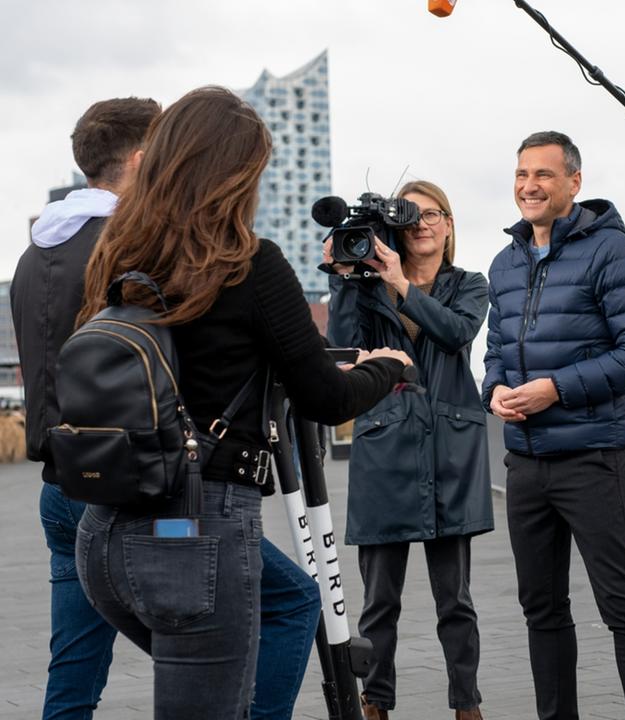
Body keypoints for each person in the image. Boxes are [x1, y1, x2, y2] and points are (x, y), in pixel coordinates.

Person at [73, 86, 411, 720]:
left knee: (289, 603)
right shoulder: (247, 264)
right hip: (195, 529)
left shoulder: (118, 254)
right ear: (236, 176)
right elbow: (324, 394)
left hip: (108, 531)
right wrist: (387, 369)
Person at [14, 96, 325, 720]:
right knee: (276, 611)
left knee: (72, 672)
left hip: (67, 477)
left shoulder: (36, 255)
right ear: (142, 159)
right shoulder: (139, 245)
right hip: (156, 484)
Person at [483, 131, 625, 720]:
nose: (529, 186)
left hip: (591, 459)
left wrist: (556, 389)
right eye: (520, 175)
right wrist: (495, 394)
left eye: (542, 175)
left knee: (622, 605)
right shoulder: (504, 263)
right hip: (525, 463)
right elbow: (493, 355)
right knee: (542, 609)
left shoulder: (611, 251)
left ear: (573, 183)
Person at [325, 180, 493, 720]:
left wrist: (398, 281)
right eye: (410, 215)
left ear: (449, 224)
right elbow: (344, 349)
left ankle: (466, 705)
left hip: (449, 450)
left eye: (433, 213)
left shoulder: (470, 284)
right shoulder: (369, 289)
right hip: (386, 446)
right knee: (379, 602)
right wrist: (349, 280)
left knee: (456, 601)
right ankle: (376, 702)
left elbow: (456, 333)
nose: (422, 223)